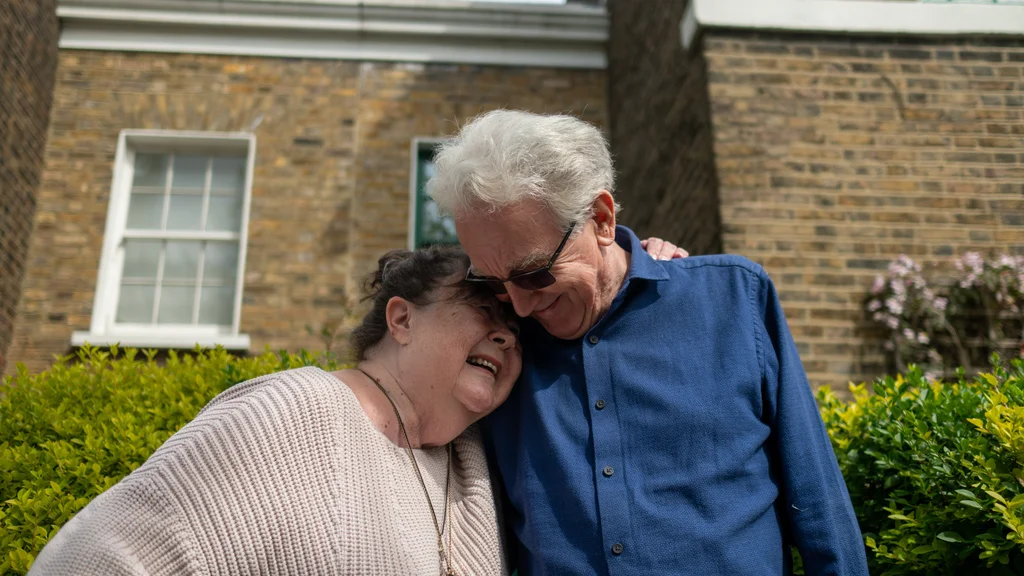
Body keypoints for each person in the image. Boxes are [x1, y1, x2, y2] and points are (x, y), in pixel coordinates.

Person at [427, 110, 871, 575]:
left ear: (600, 219)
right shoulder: (495, 346)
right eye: (493, 281)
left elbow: (817, 499)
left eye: (535, 273)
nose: (517, 305)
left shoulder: (733, 299)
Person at [29, 246, 520, 576]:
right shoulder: (292, 416)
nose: (507, 334)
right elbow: (93, 560)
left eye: (518, 329)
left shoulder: (473, 467)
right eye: (483, 309)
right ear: (402, 319)